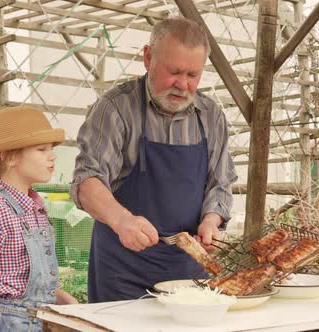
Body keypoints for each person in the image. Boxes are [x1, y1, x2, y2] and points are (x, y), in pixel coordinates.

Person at [71, 17, 238, 303]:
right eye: (174, 71)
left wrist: (211, 220)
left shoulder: (211, 116)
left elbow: (220, 183)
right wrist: (122, 221)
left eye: (193, 75)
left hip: (190, 274)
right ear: (148, 57)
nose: (182, 84)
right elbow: (87, 181)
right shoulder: (115, 109)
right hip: (123, 274)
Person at [0, 106, 78, 331]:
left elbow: (19, 282)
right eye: (41, 149)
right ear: (9, 158)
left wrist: (63, 299)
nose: (52, 156)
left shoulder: (35, 208)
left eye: (51, 149)